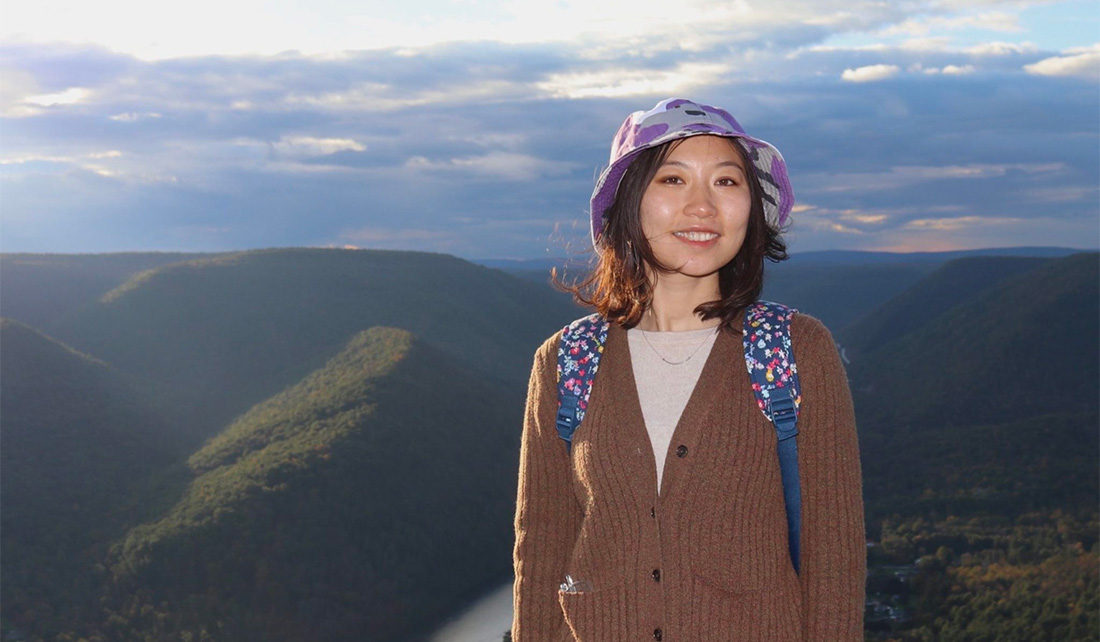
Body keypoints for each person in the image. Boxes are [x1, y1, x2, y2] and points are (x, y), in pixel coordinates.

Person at [511, 97, 865, 641]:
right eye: (672, 180)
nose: (702, 206)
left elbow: (833, 558)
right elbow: (541, 549)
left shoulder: (792, 350)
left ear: (751, 207)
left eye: (726, 182)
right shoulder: (566, 360)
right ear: (628, 204)